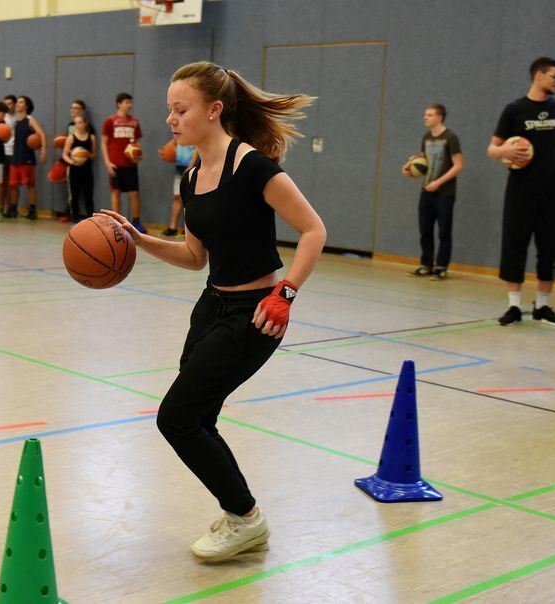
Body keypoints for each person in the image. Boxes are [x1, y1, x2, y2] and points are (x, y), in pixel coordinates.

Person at [100, 61, 325, 562]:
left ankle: (245, 517)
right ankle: (240, 514)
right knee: (198, 417)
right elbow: (194, 257)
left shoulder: (254, 167)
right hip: (211, 306)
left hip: (256, 314)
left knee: (176, 418)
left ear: (214, 110)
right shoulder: (193, 174)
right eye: (170, 110)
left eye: (181, 110)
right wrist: (139, 240)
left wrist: (285, 293)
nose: (172, 120)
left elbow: (314, 231)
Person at [488, 57, 555, 324]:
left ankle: (542, 306)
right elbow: (492, 148)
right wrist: (504, 151)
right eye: (554, 76)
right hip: (520, 191)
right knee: (515, 244)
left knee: (550, 248)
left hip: (554, 191)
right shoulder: (514, 109)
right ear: (538, 76)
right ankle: (514, 306)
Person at [401, 103, 463, 280]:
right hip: (427, 191)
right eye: (425, 114)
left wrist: (438, 182)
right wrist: (410, 168)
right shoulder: (427, 137)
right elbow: (424, 162)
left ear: (439, 117)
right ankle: (426, 264)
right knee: (425, 230)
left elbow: (459, 165)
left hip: (445, 192)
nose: (425, 117)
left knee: (444, 231)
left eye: (429, 115)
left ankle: (441, 267)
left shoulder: (451, 137)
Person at [102, 92, 147, 233]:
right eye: (127, 102)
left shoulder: (134, 122)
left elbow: (137, 143)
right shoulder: (110, 121)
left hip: (130, 164)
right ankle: (117, 222)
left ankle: (136, 221)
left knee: (134, 193)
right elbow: (104, 143)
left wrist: (138, 155)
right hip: (115, 163)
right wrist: (107, 163)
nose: (129, 105)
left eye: (130, 102)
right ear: (119, 103)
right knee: (116, 192)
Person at [7, 95, 47, 220]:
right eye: (18, 102)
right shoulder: (16, 122)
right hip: (16, 156)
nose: (18, 104)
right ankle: (13, 209)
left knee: (29, 185)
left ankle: (32, 210)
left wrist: (43, 151)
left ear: (26, 106)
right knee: (13, 185)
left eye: (20, 102)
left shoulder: (30, 120)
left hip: (27, 157)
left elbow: (42, 134)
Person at [62, 115, 96, 223]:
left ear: (85, 123)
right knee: (74, 194)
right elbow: (64, 155)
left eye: (80, 122)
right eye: (76, 123)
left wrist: (85, 154)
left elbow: (94, 154)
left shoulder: (91, 137)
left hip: (87, 169)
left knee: (88, 195)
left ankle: (91, 217)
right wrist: (73, 161)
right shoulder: (71, 137)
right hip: (74, 169)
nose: (78, 125)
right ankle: (75, 217)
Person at [162, 140, 196, 237]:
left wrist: (191, 164)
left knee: (191, 198)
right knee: (177, 196)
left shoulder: (196, 128)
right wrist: (166, 149)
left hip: (192, 165)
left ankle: (190, 229)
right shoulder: (180, 127)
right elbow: (175, 139)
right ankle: (173, 227)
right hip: (180, 165)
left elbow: (198, 146)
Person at [1, 94, 18, 217]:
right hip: (3, 152)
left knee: (13, 183)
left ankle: (12, 208)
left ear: (15, 104)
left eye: (9, 103)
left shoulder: (20, 117)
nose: (7, 106)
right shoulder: (3, 118)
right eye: (5, 104)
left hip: (15, 153)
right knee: (2, 182)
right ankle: (0, 208)